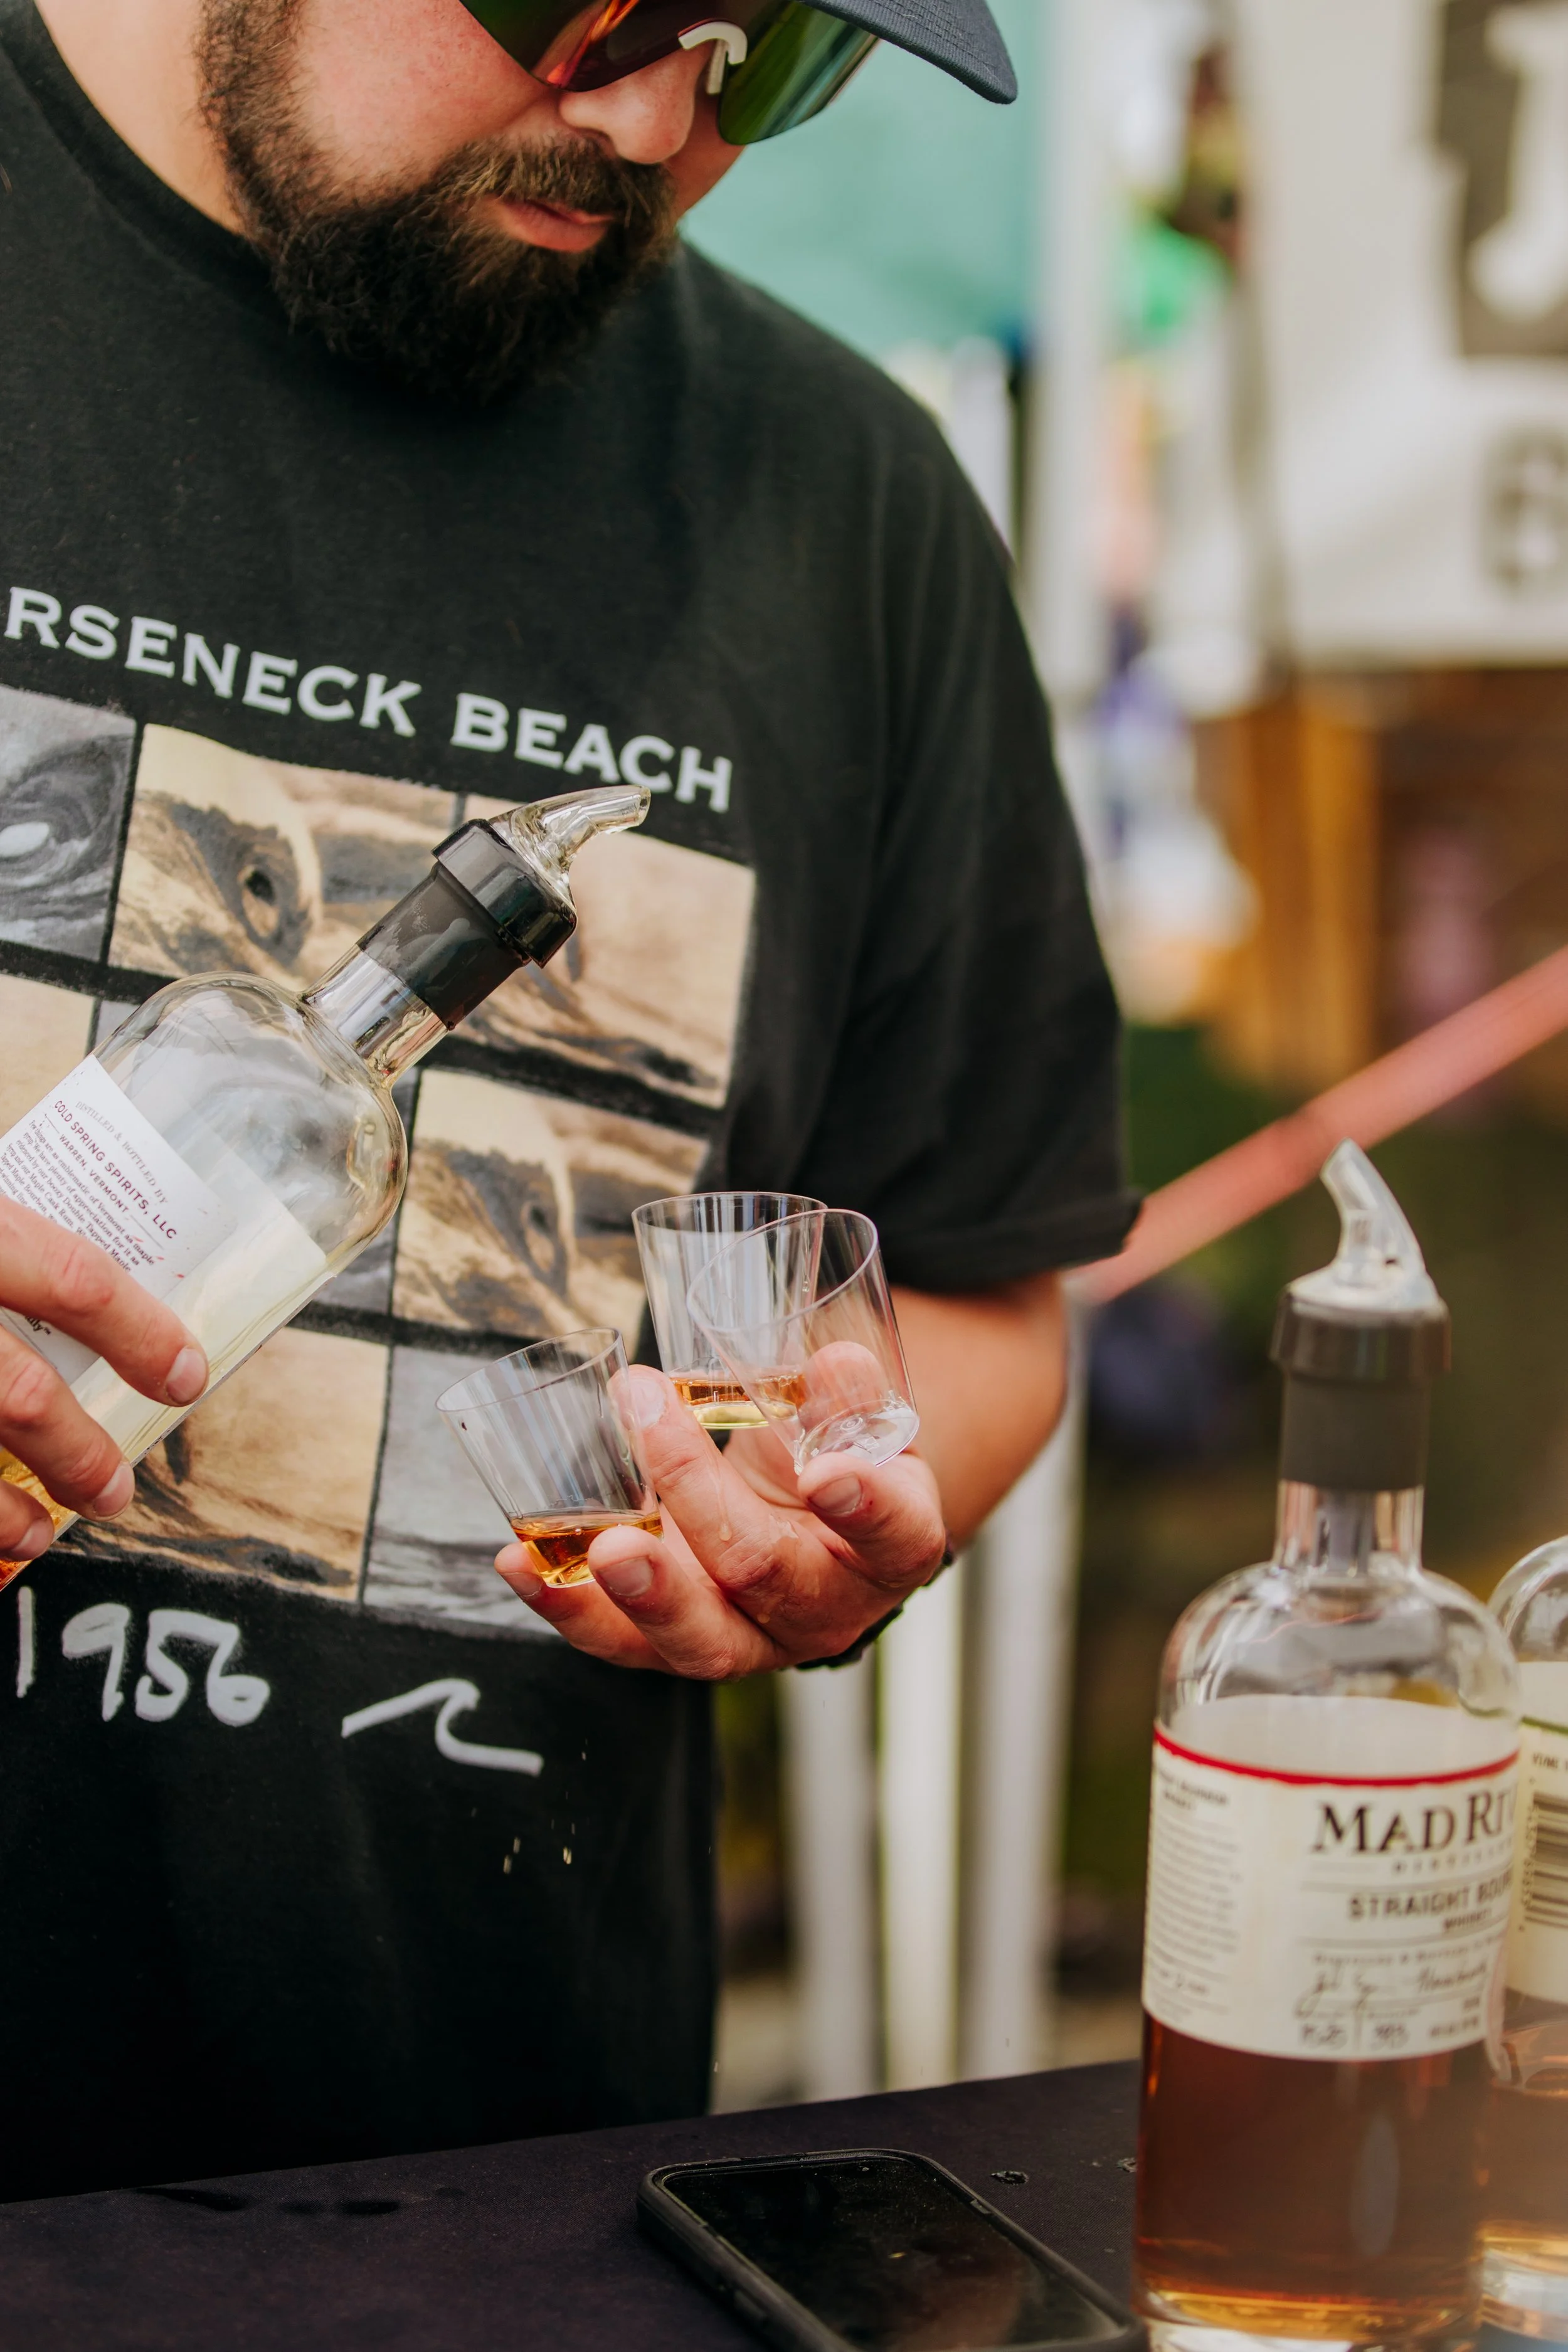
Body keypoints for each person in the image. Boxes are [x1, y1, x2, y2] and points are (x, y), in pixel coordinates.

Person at [0, 0, 1135, 2198]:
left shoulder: (845, 506)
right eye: (593, 0)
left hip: (477, 2209)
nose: (652, 120)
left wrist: (826, 1493)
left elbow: (983, 1295)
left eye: (767, 51)